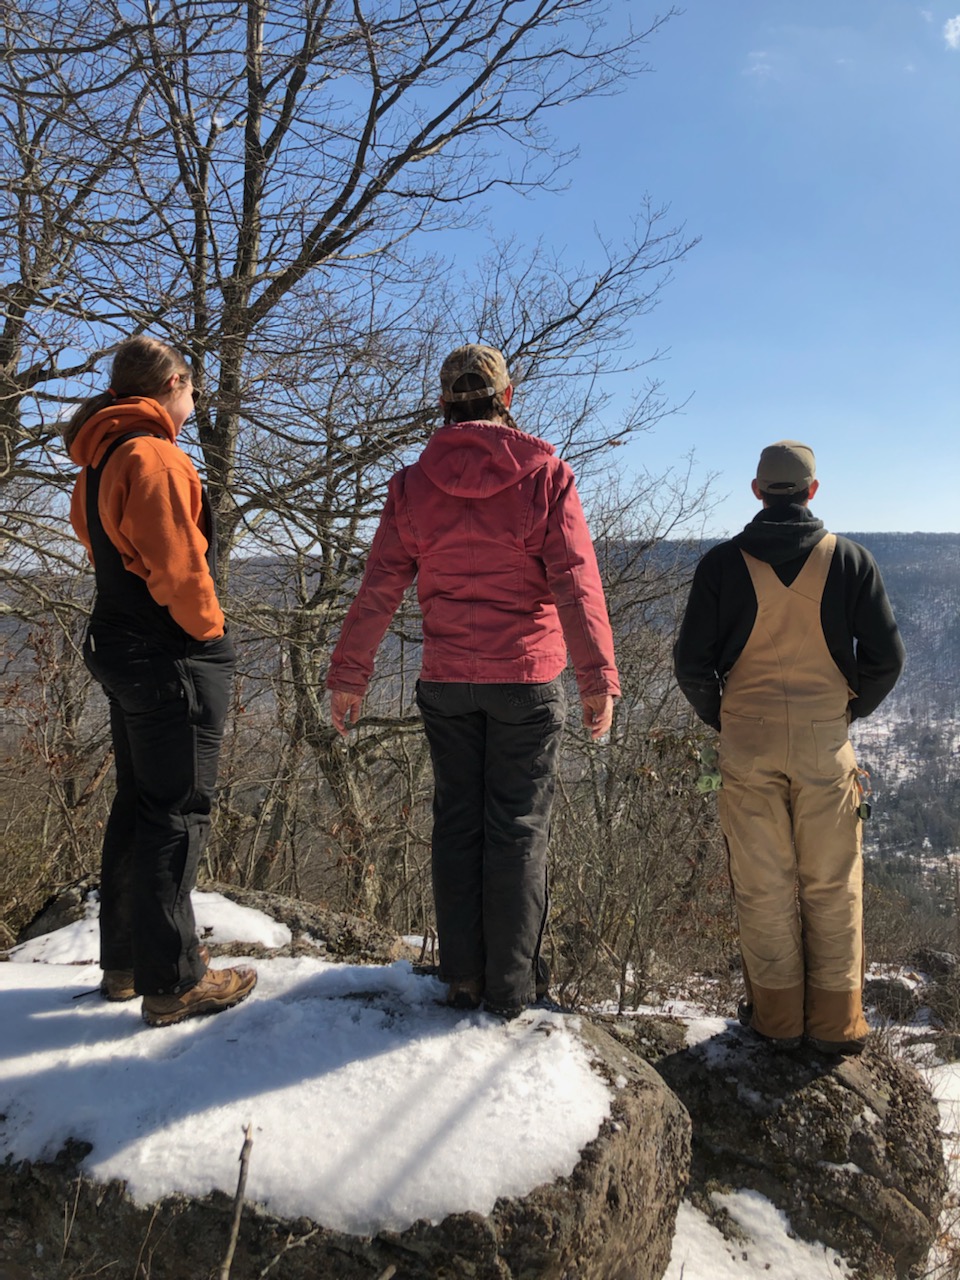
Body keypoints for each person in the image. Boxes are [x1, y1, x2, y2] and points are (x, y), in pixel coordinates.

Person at [326, 343, 620, 1017]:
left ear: (442, 404)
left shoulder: (411, 485)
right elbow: (576, 584)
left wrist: (349, 674)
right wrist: (597, 676)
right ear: (506, 398)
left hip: (447, 680)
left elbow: (378, 587)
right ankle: (513, 989)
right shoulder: (546, 475)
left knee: (458, 822)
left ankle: (462, 979)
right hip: (527, 678)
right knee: (516, 829)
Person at [674, 440, 904, 1056]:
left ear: (756, 491)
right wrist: (844, 713)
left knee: (762, 884)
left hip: (745, 744)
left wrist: (728, 721)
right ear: (813, 490)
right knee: (833, 882)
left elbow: (691, 664)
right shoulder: (851, 561)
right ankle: (835, 1027)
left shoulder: (721, 565)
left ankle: (776, 1021)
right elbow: (886, 660)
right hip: (825, 744)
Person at [66, 335, 257, 1027]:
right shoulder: (152, 455)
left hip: (116, 639)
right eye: (193, 391)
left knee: (139, 804)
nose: (193, 402)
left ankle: (124, 964)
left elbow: (100, 545)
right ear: (174, 383)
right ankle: (173, 981)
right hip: (167, 649)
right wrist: (209, 634)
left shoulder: (97, 461)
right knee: (178, 811)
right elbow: (178, 568)